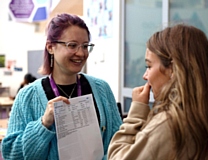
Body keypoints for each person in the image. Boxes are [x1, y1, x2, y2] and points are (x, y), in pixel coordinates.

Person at [107, 24, 208, 160]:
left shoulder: (167, 126)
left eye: (149, 66)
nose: (145, 76)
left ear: (173, 69)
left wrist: (136, 113)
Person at [2, 13, 122, 160]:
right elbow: (11, 154)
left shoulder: (101, 89)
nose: (81, 53)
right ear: (50, 47)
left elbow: (119, 142)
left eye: (85, 46)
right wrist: (43, 124)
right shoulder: (27, 96)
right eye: (72, 45)